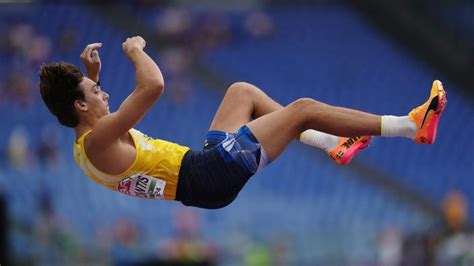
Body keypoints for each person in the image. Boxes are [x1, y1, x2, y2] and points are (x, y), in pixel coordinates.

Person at [39, 36, 447, 209]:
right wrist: (135, 51)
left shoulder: (87, 144)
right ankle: (411, 126)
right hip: (207, 175)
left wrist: (90, 78)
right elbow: (153, 86)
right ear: (79, 106)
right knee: (301, 107)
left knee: (241, 92)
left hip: (202, 174)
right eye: (96, 93)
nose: (103, 93)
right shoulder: (98, 138)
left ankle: (332, 144)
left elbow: (92, 111)